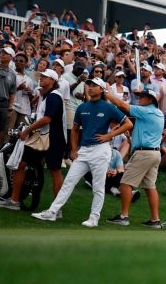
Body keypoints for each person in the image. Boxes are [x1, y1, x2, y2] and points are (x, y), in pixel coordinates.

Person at [31, 77, 133, 227]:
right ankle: (53, 212)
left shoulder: (109, 107)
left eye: (94, 85)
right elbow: (75, 130)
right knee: (68, 182)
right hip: (84, 150)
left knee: (98, 187)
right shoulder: (82, 107)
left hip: (100, 150)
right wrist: (73, 148)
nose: (90, 87)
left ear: (101, 89)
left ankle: (94, 218)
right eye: (89, 85)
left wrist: (110, 135)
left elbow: (128, 124)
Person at [0, 69, 65, 210]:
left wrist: (27, 130)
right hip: (41, 138)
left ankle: (57, 208)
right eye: (41, 76)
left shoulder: (54, 96)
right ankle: (14, 201)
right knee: (21, 164)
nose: (41, 78)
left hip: (53, 140)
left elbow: (47, 119)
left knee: (54, 171)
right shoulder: (46, 96)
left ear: (52, 81)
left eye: (45, 77)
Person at [104, 86, 166, 226]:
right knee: (150, 187)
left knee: (125, 183)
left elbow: (120, 104)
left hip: (144, 153)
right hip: (154, 153)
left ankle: (124, 217)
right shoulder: (158, 113)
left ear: (150, 100)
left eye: (142, 96)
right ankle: (155, 220)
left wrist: (106, 93)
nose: (139, 98)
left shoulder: (145, 111)